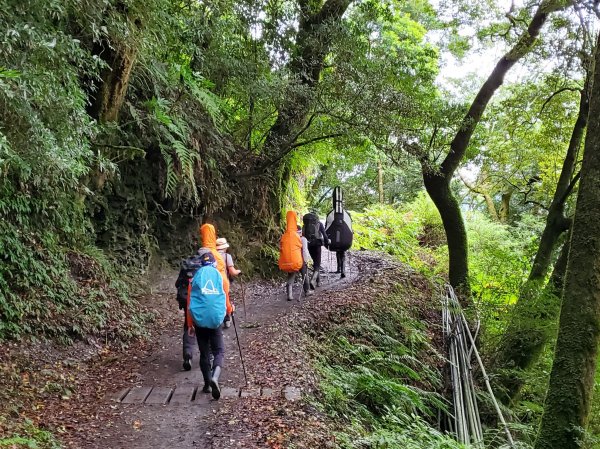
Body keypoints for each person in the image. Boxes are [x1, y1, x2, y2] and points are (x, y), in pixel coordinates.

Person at [186, 251, 233, 400]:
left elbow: (190, 302)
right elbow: (225, 297)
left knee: (204, 352)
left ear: (201, 263)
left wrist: (190, 324)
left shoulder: (194, 279)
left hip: (199, 320)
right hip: (215, 319)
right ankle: (215, 377)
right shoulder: (219, 276)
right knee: (219, 350)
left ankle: (207, 384)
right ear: (214, 263)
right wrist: (230, 311)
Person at [175, 254, 203, 371]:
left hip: (187, 301)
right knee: (204, 328)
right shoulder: (204, 268)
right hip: (201, 302)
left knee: (188, 326)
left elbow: (177, 284)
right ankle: (207, 355)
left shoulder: (186, 267)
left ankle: (187, 354)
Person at [278, 211, 311, 300]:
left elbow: (281, 249)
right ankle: (307, 291)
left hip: (290, 261)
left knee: (291, 276)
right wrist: (306, 260)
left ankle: (289, 294)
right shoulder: (301, 238)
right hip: (300, 261)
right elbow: (304, 250)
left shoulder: (284, 236)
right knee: (305, 275)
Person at [325, 187, 353, 278]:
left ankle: (339, 269)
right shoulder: (347, 214)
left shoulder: (330, 214)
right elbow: (350, 227)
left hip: (333, 241)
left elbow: (326, 228)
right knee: (342, 252)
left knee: (338, 252)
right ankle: (343, 270)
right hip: (345, 240)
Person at [216, 237, 241, 328]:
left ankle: (217, 319)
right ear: (225, 247)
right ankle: (227, 319)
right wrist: (238, 271)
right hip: (223, 281)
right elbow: (232, 272)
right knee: (226, 299)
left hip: (213, 282)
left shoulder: (211, 255)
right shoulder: (227, 256)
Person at [302, 210, 329, 289]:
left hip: (308, 244)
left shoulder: (305, 224)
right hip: (317, 244)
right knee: (317, 263)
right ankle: (313, 280)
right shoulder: (319, 224)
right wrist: (327, 242)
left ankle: (318, 282)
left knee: (314, 262)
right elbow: (324, 234)